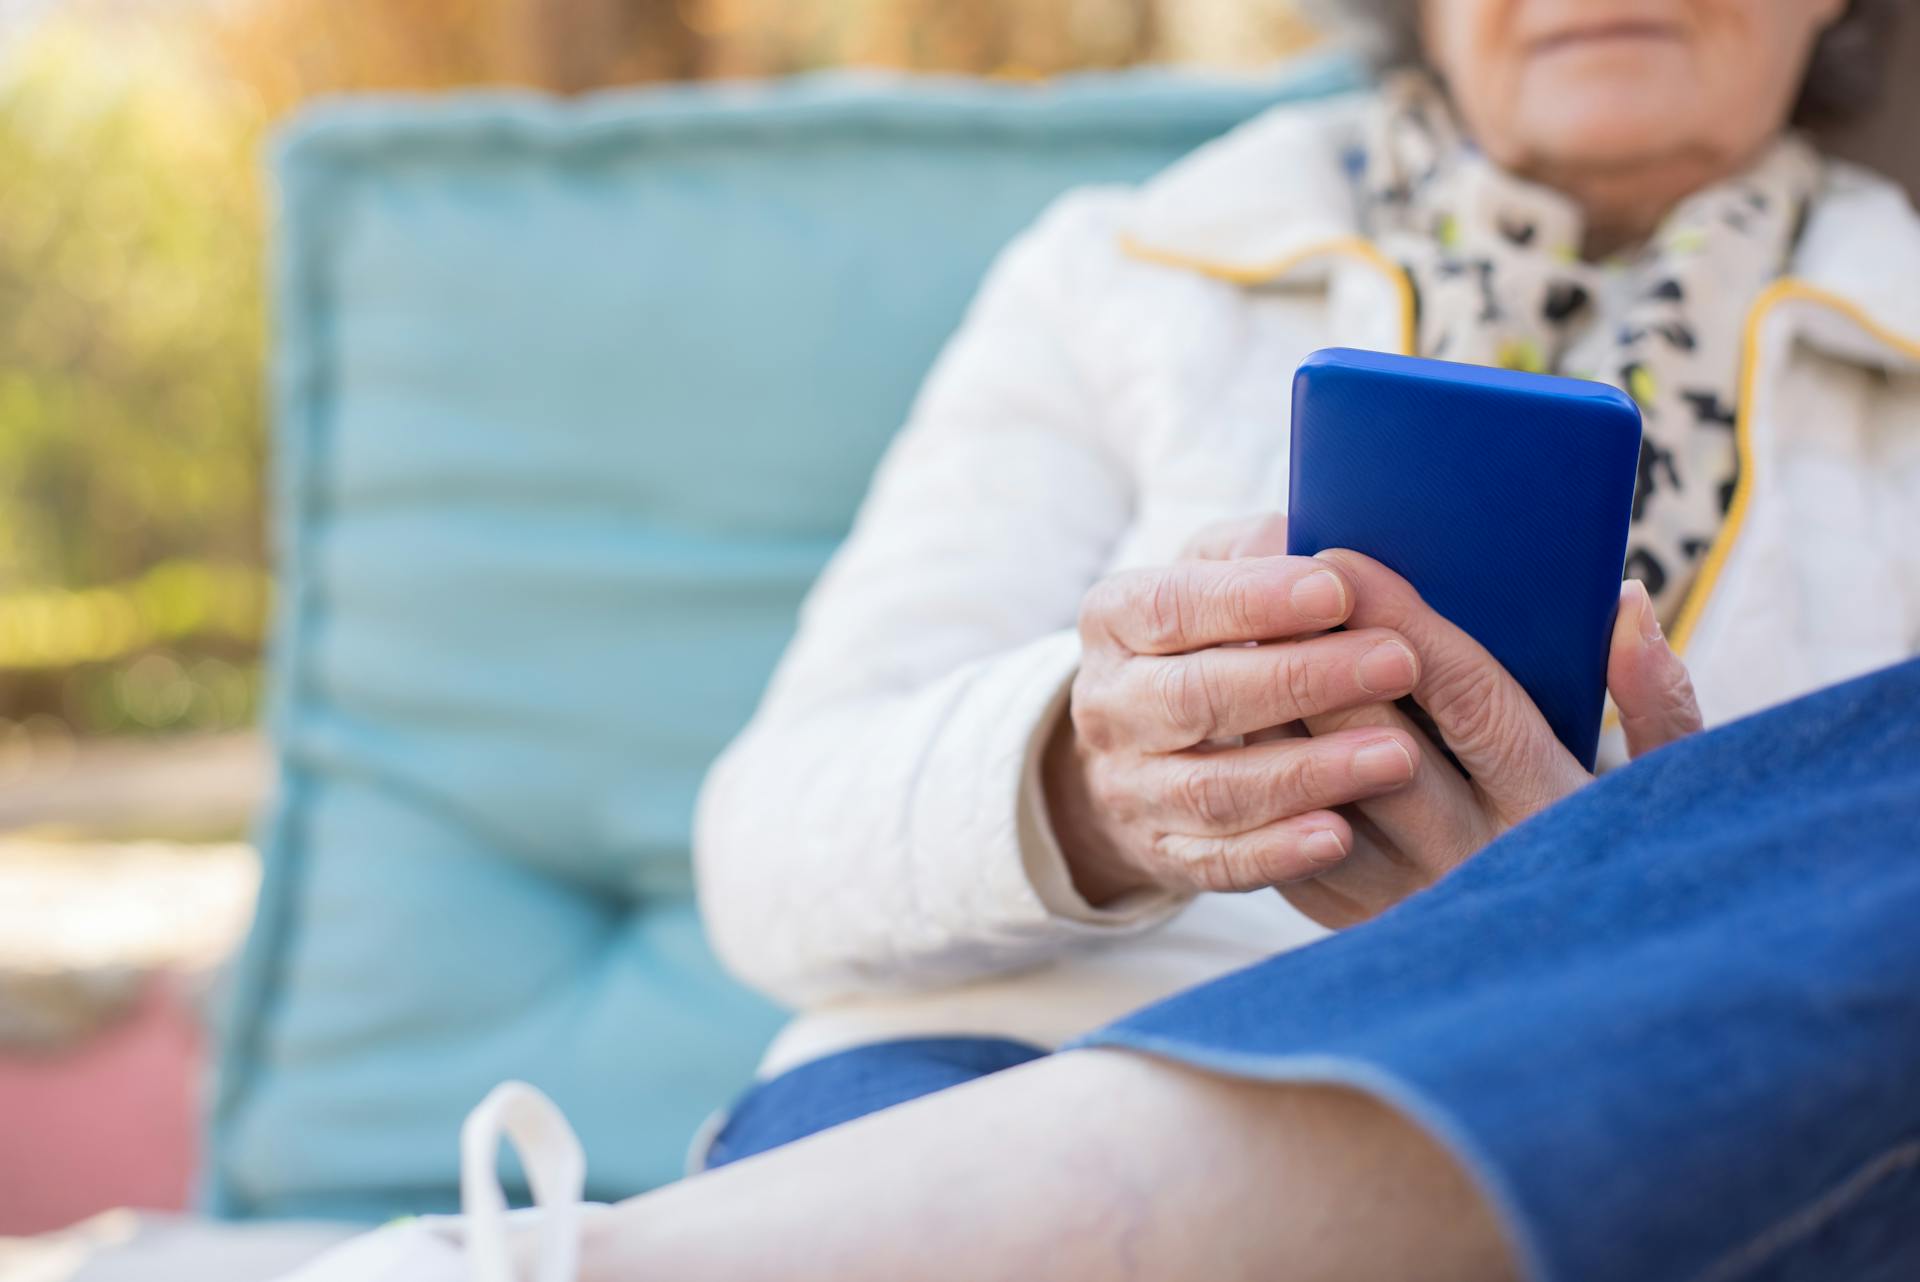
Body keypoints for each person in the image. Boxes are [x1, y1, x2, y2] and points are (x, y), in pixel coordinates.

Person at [283, 1, 1920, 1278]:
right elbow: (769, 845)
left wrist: (1644, 894)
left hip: (1675, 1104)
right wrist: (1090, 775)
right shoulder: (1117, 277)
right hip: (1019, 1072)